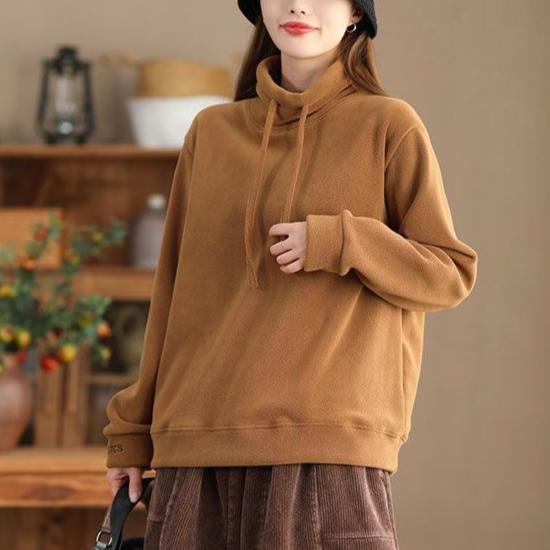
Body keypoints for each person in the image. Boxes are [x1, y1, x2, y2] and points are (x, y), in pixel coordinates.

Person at [104, 0, 478, 548]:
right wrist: (132, 433)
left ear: (356, 13)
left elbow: (449, 273)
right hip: (194, 447)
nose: (298, 4)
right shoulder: (211, 132)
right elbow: (171, 295)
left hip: (325, 451)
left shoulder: (388, 125)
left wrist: (343, 241)